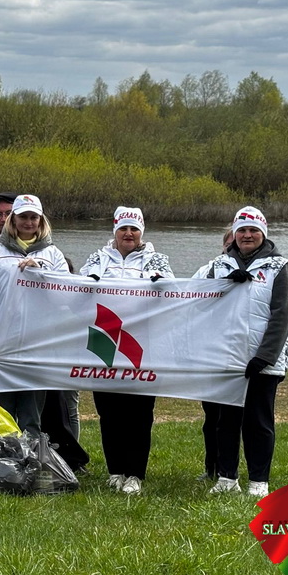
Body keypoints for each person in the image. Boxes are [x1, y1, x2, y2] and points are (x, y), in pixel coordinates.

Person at [197, 206, 288, 498]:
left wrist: (265, 356)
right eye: (242, 230)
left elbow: (282, 316)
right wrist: (223, 285)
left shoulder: (280, 267)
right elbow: (199, 304)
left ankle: (258, 482)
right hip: (226, 358)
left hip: (262, 361)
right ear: (234, 234)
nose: (247, 235)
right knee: (225, 421)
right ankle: (226, 478)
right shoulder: (220, 265)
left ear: (263, 233)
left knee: (258, 422)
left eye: (253, 230)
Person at [80, 206, 174, 495]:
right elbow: (74, 287)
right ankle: (115, 470)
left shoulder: (157, 259)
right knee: (109, 412)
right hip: (104, 339)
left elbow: (176, 293)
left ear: (141, 232)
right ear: (115, 231)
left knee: (139, 413)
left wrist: (161, 283)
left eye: (134, 229)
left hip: (141, 345)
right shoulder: (97, 257)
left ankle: (135, 473)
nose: (129, 234)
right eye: (123, 228)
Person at [0, 194, 67, 432]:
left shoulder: (53, 255)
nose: (28, 222)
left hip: (38, 345)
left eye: (33, 217)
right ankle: (3, 463)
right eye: (23, 216)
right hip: (1, 344)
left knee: (32, 414)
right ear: (12, 220)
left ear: (41, 220)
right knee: (1, 412)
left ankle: (31, 461)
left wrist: (42, 272)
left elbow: (67, 296)